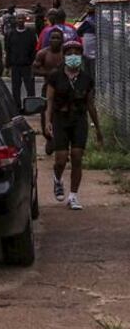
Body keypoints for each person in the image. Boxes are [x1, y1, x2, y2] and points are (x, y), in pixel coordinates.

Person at [45, 40, 104, 210]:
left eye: (77, 53)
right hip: (60, 119)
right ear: (64, 56)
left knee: (77, 156)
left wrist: (98, 129)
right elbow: (49, 101)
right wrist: (48, 121)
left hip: (78, 119)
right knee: (61, 159)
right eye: (69, 53)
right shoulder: (56, 77)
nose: (73, 57)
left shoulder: (86, 79)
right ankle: (57, 179)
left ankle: (73, 196)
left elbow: (90, 104)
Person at [33, 28, 66, 155]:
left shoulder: (66, 54)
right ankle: (49, 138)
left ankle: (61, 144)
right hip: (47, 87)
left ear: (62, 40)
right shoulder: (43, 53)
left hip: (64, 89)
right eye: (53, 37)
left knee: (63, 115)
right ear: (49, 39)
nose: (55, 40)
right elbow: (34, 70)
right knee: (46, 114)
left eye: (58, 38)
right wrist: (48, 73)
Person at [5, 12, 38, 109]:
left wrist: (34, 64)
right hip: (15, 65)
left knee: (30, 87)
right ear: (15, 20)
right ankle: (17, 107)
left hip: (28, 65)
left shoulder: (31, 33)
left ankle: (31, 107)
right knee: (15, 88)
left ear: (25, 20)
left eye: (22, 18)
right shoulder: (10, 34)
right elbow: (8, 50)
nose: (20, 20)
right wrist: (7, 66)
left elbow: (34, 49)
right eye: (18, 18)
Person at [77, 0, 98, 78]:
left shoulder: (89, 21)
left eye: (91, 6)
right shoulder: (87, 18)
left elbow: (78, 31)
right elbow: (79, 31)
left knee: (91, 73)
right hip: (87, 53)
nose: (88, 7)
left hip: (93, 55)